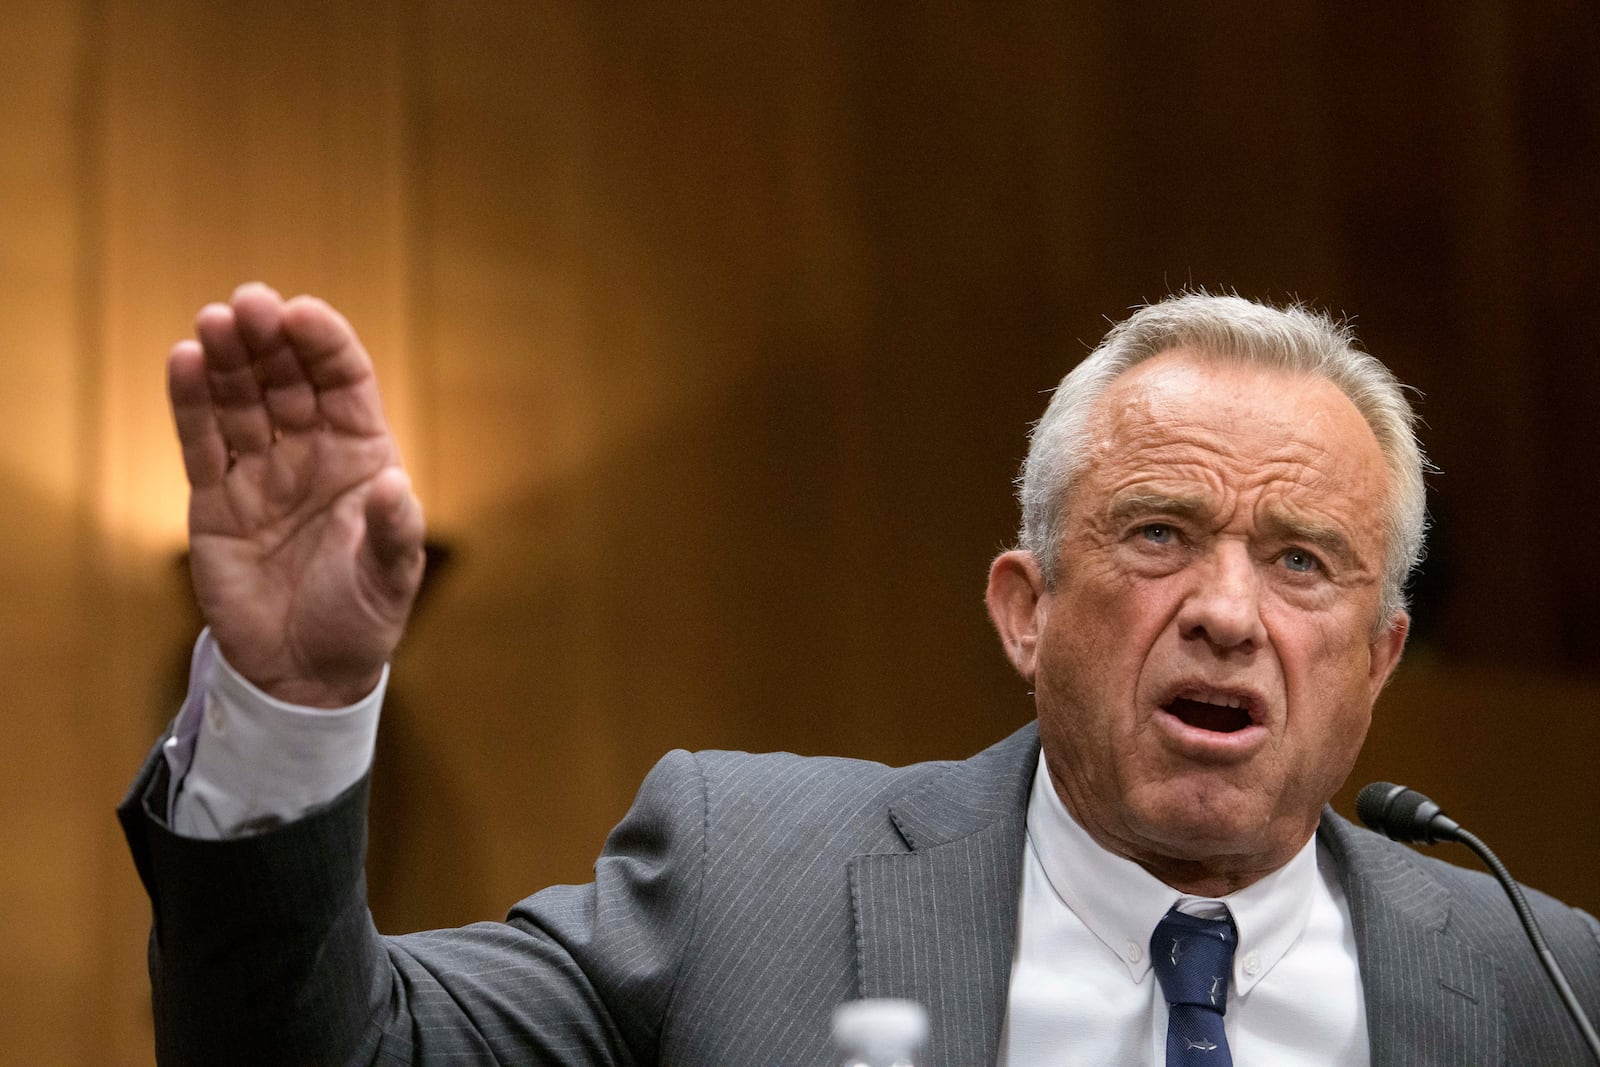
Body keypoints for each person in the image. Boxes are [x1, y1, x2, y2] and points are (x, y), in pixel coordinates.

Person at [121, 284, 1600, 1065]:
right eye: (1159, 534)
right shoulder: (745, 884)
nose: (1226, 611)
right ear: (1025, 612)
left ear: (1381, 657)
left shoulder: (1552, 994)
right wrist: (294, 704)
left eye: (1301, 563)